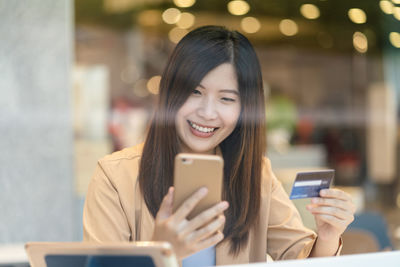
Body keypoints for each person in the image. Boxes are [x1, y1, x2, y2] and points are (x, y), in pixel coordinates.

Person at [83, 25, 355, 266]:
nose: (207, 112)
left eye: (226, 99)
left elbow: (299, 258)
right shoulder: (115, 177)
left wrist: (328, 238)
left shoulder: (256, 175)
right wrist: (163, 254)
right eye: (195, 92)